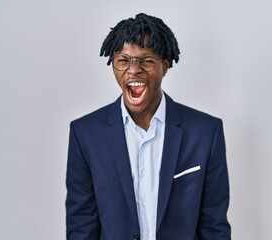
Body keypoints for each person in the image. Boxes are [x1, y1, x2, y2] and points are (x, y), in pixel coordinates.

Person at [66, 13, 231, 240]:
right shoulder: (85, 134)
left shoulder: (205, 133)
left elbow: (214, 227)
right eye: (123, 60)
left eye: (146, 61)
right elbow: (81, 226)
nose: (133, 70)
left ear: (165, 65)